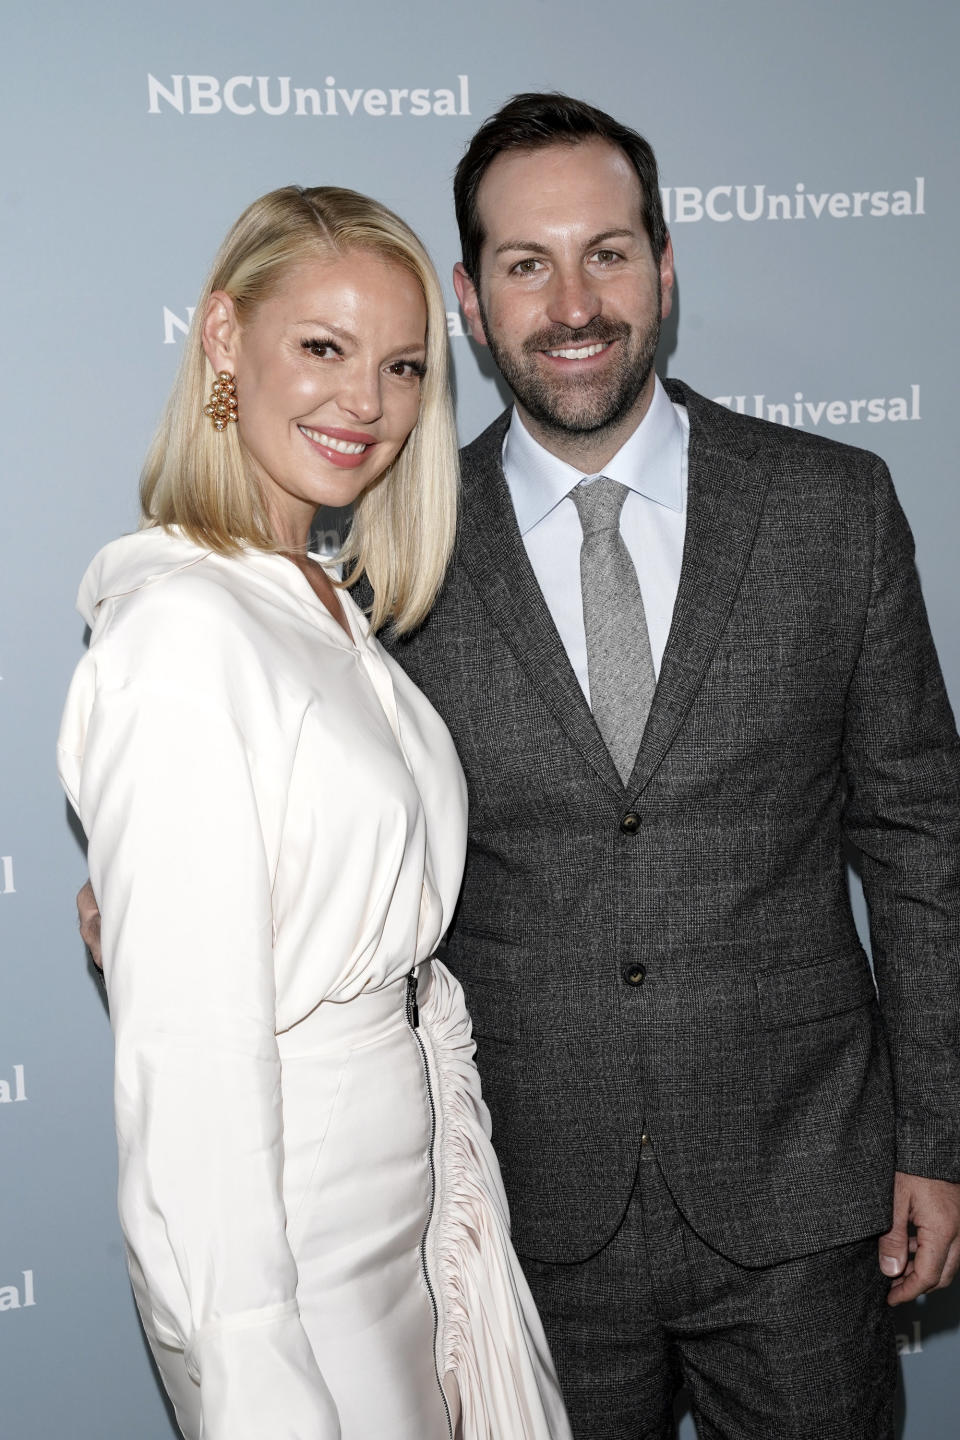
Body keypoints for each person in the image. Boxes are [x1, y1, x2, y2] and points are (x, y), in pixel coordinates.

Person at [378, 95, 960, 1438]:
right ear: (471, 300)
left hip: (810, 1205)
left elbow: (922, 837)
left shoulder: (833, 510)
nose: (573, 302)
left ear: (667, 267)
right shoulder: (399, 560)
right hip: (528, 1218)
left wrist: (938, 1134)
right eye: (527, 264)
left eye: (609, 253)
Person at [59, 184, 571, 1440]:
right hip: (283, 1240)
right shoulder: (184, 630)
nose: (367, 404)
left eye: (404, 367)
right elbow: (193, 1066)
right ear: (226, 339)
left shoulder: (320, 601)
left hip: (398, 1193)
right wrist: (250, 1367)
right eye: (323, 349)